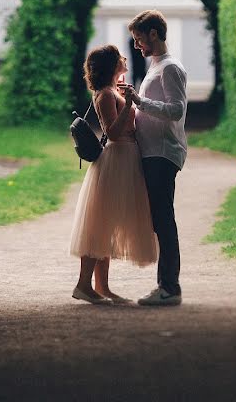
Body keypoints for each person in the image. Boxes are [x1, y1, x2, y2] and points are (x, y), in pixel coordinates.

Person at [69, 44, 159, 305]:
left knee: (107, 225)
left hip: (124, 159)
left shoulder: (112, 91)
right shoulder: (106, 95)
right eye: (119, 56)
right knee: (101, 225)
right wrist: (130, 103)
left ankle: (102, 287)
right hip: (117, 158)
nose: (124, 58)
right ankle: (83, 285)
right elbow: (114, 131)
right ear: (112, 64)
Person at [122, 10, 188, 306]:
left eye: (138, 40)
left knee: (163, 220)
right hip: (152, 152)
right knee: (159, 219)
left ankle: (169, 288)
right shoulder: (156, 66)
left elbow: (175, 110)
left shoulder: (170, 68)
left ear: (152, 33)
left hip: (163, 153)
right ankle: (166, 285)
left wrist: (139, 102)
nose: (137, 46)